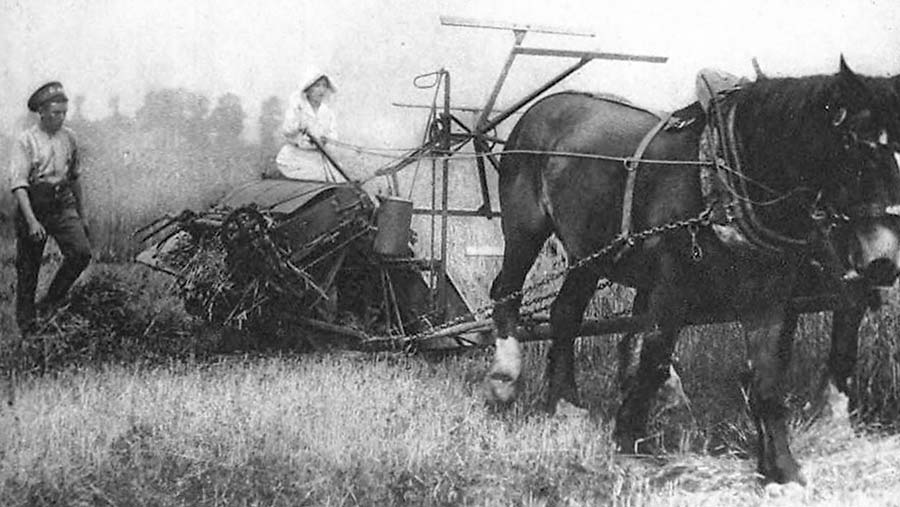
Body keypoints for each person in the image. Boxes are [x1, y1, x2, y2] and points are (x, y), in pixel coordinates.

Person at [8, 81, 92, 334]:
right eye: (55, 113)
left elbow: (75, 178)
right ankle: (28, 327)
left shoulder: (70, 138)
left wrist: (82, 215)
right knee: (28, 268)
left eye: (64, 113)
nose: (60, 118)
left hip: (62, 202)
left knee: (80, 253)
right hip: (33, 203)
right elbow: (19, 185)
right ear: (41, 112)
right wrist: (32, 221)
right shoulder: (26, 140)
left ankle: (50, 303)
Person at [274, 69, 342, 181]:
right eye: (317, 86)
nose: (321, 90)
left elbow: (333, 137)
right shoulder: (298, 107)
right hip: (295, 157)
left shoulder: (328, 113)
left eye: (324, 86)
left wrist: (325, 141)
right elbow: (287, 130)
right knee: (321, 177)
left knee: (338, 177)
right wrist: (299, 127)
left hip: (317, 157)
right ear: (308, 89)